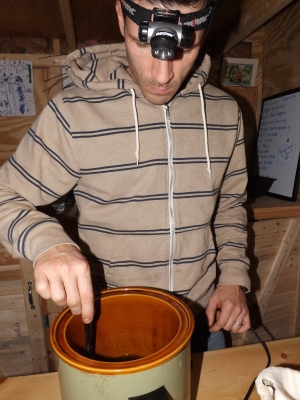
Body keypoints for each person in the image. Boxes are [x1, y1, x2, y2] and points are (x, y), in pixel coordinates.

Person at [0, 0, 251, 352]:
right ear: (121, 16)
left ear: (207, 29)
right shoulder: (73, 115)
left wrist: (234, 279)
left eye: (186, 46)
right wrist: (48, 243)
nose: (162, 75)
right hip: (114, 325)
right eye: (145, 43)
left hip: (200, 322)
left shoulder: (227, 114)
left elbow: (229, 205)